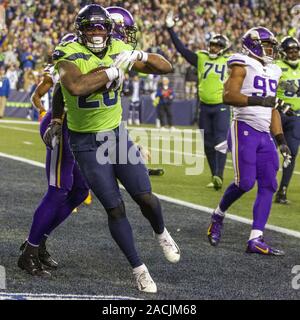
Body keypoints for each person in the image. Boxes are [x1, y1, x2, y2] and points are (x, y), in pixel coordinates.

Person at [44, 4, 180, 294]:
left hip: (117, 137)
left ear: (108, 30)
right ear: (80, 31)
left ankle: (162, 232)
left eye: (101, 28)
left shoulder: (118, 46)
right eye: (91, 28)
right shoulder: (67, 52)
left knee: (145, 197)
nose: (96, 33)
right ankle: (139, 269)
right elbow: (74, 87)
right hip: (85, 143)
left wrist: (139, 55)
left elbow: (167, 67)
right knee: (115, 208)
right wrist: (111, 72)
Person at [207, 27, 293, 255]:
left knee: (269, 184)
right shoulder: (241, 63)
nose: (271, 51)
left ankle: (256, 238)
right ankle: (218, 215)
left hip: (265, 133)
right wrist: (262, 101)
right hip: (243, 127)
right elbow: (228, 96)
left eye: (272, 47)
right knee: (244, 183)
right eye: (267, 46)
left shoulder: (274, 70)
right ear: (252, 45)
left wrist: (281, 139)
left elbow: (272, 108)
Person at [18, 33, 91, 277]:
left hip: (80, 129)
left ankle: (39, 240)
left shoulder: (103, 57)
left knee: (80, 190)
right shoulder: (72, 60)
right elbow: (56, 89)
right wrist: (47, 115)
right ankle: (29, 252)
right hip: (62, 126)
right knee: (59, 189)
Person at [166, 11, 231, 190]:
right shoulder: (201, 58)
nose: (213, 49)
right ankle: (214, 175)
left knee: (219, 140)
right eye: (212, 46)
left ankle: (219, 174)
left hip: (221, 107)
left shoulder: (229, 61)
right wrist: (170, 29)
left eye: (217, 46)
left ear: (223, 48)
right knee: (208, 143)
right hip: (205, 107)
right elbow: (182, 49)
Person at [274, 36, 300, 204]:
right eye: (290, 50)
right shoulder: (276, 67)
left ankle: (282, 190)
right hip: (277, 114)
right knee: (266, 151)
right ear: (284, 52)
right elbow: (269, 89)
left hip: (296, 116)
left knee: (291, 154)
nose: (293, 53)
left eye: (296, 50)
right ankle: (264, 182)